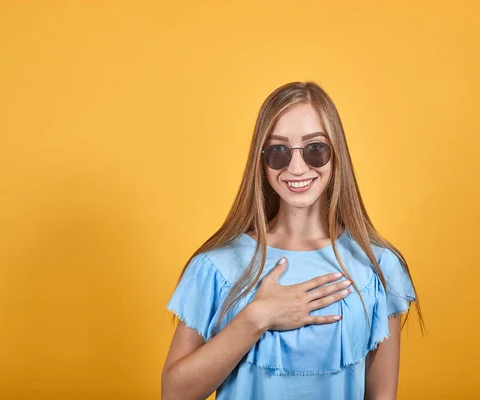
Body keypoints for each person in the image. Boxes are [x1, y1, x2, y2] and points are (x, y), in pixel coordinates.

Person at [161, 81, 423, 400]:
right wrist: (256, 317)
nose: (297, 168)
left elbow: (382, 395)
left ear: (337, 154)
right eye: (278, 151)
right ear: (261, 161)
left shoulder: (379, 266)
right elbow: (174, 394)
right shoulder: (216, 266)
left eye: (315, 149)